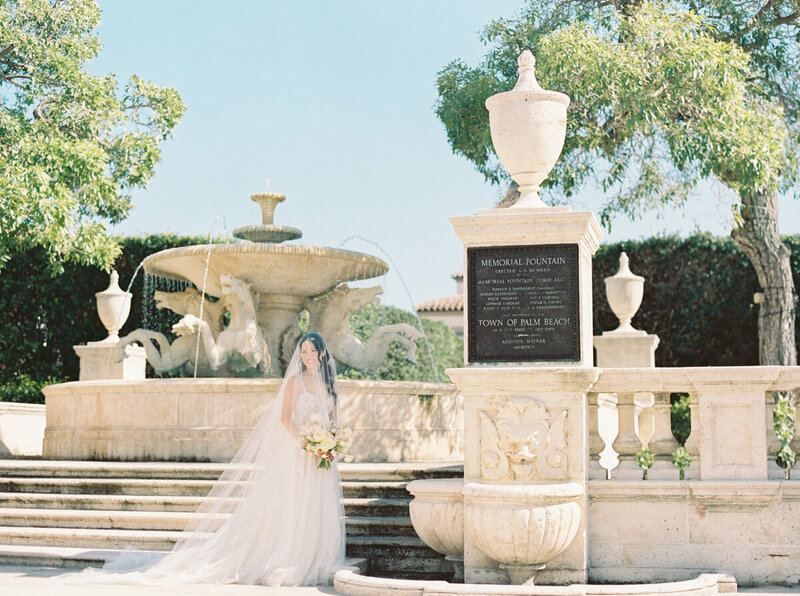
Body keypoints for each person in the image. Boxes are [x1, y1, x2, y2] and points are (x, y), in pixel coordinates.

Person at [60, 332, 346, 587]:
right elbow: (285, 418)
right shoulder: (296, 382)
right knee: (292, 505)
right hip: (298, 455)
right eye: (303, 351)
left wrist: (332, 444)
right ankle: (286, 557)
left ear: (322, 353)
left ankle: (314, 555)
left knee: (316, 506)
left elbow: (334, 421)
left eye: (312, 350)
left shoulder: (329, 385)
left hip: (322, 460)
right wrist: (307, 444)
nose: (307, 355)